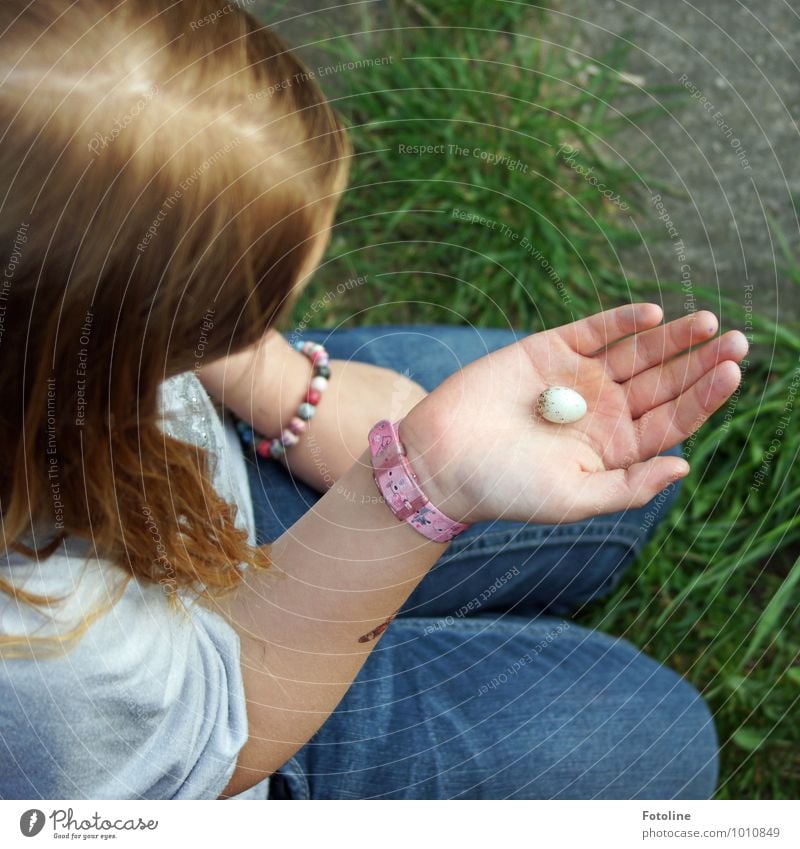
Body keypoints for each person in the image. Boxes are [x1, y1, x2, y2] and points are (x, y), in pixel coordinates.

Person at [0, 0, 749, 800]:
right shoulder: (45, 654)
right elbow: (224, 733)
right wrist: (422, 479)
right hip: (219, 712)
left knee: (621, 497)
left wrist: (287, 389)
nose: (288, 306)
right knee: (656, 734)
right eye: (249, 312)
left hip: (164, 465)